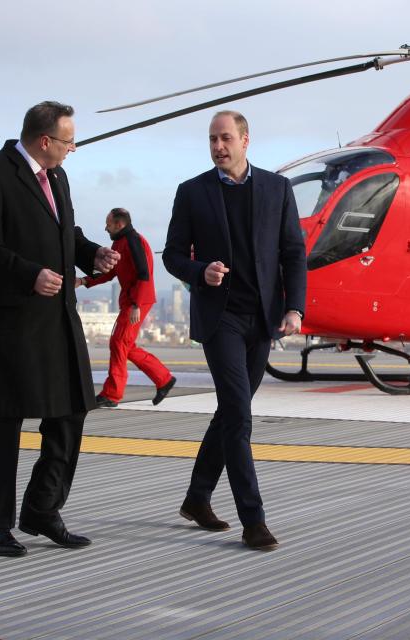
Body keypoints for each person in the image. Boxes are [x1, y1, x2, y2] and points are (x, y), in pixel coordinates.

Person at [0, 101, 119, 557]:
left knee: (71, 412)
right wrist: (28, 273)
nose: (73, 149)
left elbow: (64, 232)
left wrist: (91, 255)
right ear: (45, 140)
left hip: (57, 319)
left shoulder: (58, 176)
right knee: (6, 420)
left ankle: (42, 509)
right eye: (69, 141)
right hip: (11, 322)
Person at [163, 110, 306, 550]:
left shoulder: (277, 188)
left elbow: (293, 253)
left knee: (230, 413)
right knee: (239, 416)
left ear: (246, 140)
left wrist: (295, 309)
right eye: (212, 140)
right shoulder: (192, 192)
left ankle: (197, 498)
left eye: (225, 138)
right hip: (219, 318)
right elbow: (171, 255)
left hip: (262, 320)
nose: (218, 147)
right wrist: (200, 270)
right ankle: (254, 520)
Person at [77, 208, 175, 408]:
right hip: (132, 301)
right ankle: (163, 379)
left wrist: (136, 305)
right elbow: (110, 271)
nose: (105, 228)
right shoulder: (120, 242)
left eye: (108, 224)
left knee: (118, 343)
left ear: (119, 224)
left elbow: (143, 273)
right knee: (124, 344)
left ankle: (112, 394)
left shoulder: (133, 241)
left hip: (136, 302)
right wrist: (84, 281)